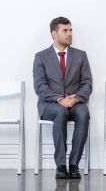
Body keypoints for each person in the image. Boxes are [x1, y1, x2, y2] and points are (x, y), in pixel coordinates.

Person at [33, 17, 92, 179]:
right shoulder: (41, 57)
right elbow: (40, 86)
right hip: (49, 105)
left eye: (70, 30)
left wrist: (77, 98)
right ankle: (60, 165)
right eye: (65, 31)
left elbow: (87, 83)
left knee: (84, 112)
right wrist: (59, 99)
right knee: (61, 112)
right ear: (54, 34)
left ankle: (73, 165)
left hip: (75, 102)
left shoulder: (80, 56)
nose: (69, 34)